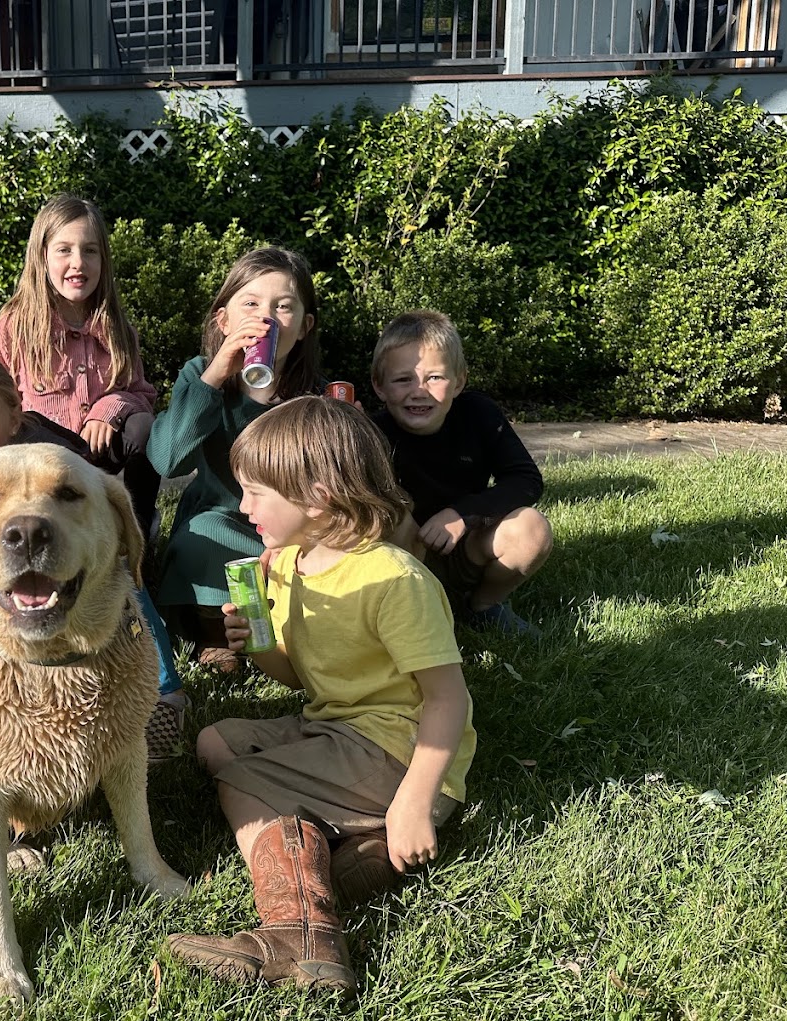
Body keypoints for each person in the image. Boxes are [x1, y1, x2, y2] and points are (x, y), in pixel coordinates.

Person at [165, 396, 476, 995]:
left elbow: (447, 701)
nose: (243, 506)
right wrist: (256, 642)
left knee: (244, 782)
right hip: (334, 726)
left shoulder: (392, 579)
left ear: (316, 497)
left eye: (255, 492)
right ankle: (355, 854)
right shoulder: (287, 564)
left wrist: (414, 803)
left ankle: (303, 935)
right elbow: (303, 677)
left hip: (399, 751)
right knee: (215, 743)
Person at [0, 353, 189, 762]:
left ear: (14, 418)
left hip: (70, 562)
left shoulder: (58, 464)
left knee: (116, 580)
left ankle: (166, 690)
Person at [146, 246, 323, 672]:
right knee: (201, 537)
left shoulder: (313, 396)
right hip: (224, 521)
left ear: (304, 327)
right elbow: (166, 459)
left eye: (283, 307)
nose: (266, 318)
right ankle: (214, 637)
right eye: (251, 304)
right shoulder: (201, 375)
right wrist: (216, 373)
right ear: (224, 321)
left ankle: (291, 632)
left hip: (288, 531)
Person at [0, 194, 161, 553]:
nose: (78, 262)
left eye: (90, 251)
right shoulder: (14, 328)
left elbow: (141, 394)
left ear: (103, 260)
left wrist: (109, 407)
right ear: (42, 257)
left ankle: (135, 535)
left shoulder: (118, 330)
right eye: (64, 250)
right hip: (39, 462)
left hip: (98, 453)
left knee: (145, 427)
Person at [370, 309, 553, 635]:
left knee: (532, 529)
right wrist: (342, 432)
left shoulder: (479, 414)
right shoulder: (369, 432)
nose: (419, 391)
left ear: (459, 381)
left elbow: (525, 479)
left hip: (468, 548)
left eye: (435, 377)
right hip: (403, 557)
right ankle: (409, 610)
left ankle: (482, 606)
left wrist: (461, 514)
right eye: (403, 379)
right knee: (390, 516)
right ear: (379, 386)